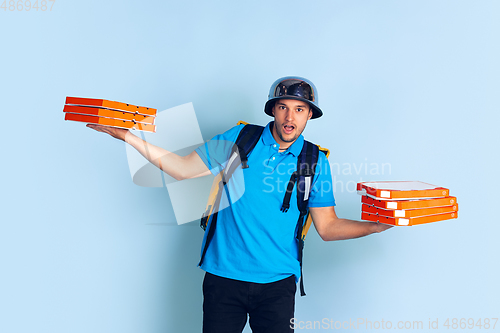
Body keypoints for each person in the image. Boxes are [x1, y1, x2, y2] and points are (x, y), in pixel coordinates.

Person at [87, 76, 393, 333]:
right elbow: (183, 168)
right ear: (273, 109)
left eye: (299, 109)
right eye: (283, 107)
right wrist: (128, 137)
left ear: (309, 115)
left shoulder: (314, 161)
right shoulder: (242, 138)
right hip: (224, 278)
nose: (290, 117)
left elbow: (327, 226)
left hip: (277, 284)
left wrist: (376, 226)